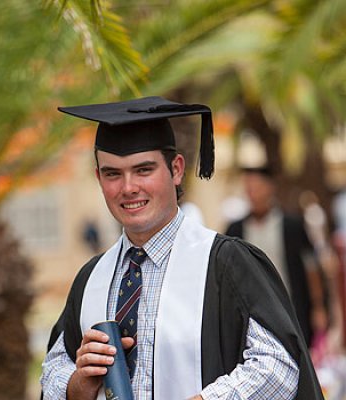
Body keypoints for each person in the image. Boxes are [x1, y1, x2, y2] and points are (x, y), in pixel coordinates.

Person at [41, 96, 324, 400]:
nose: (128, 187)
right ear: (99, 178)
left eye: (143, 170)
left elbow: (278, 367)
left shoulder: (226, 264)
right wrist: (77, 385)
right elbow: (55, 365)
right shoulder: (91, 278)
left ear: (176, 169)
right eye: (112, 173)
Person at [225, 166, 328, 348]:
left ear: (270, 188)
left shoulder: (292, 226)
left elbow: (311, 266)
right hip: (252, 313)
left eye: (257, 187)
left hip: (291, 307)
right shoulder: (236, 230)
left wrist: (318, 306)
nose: (253, 193)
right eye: (249, 188)